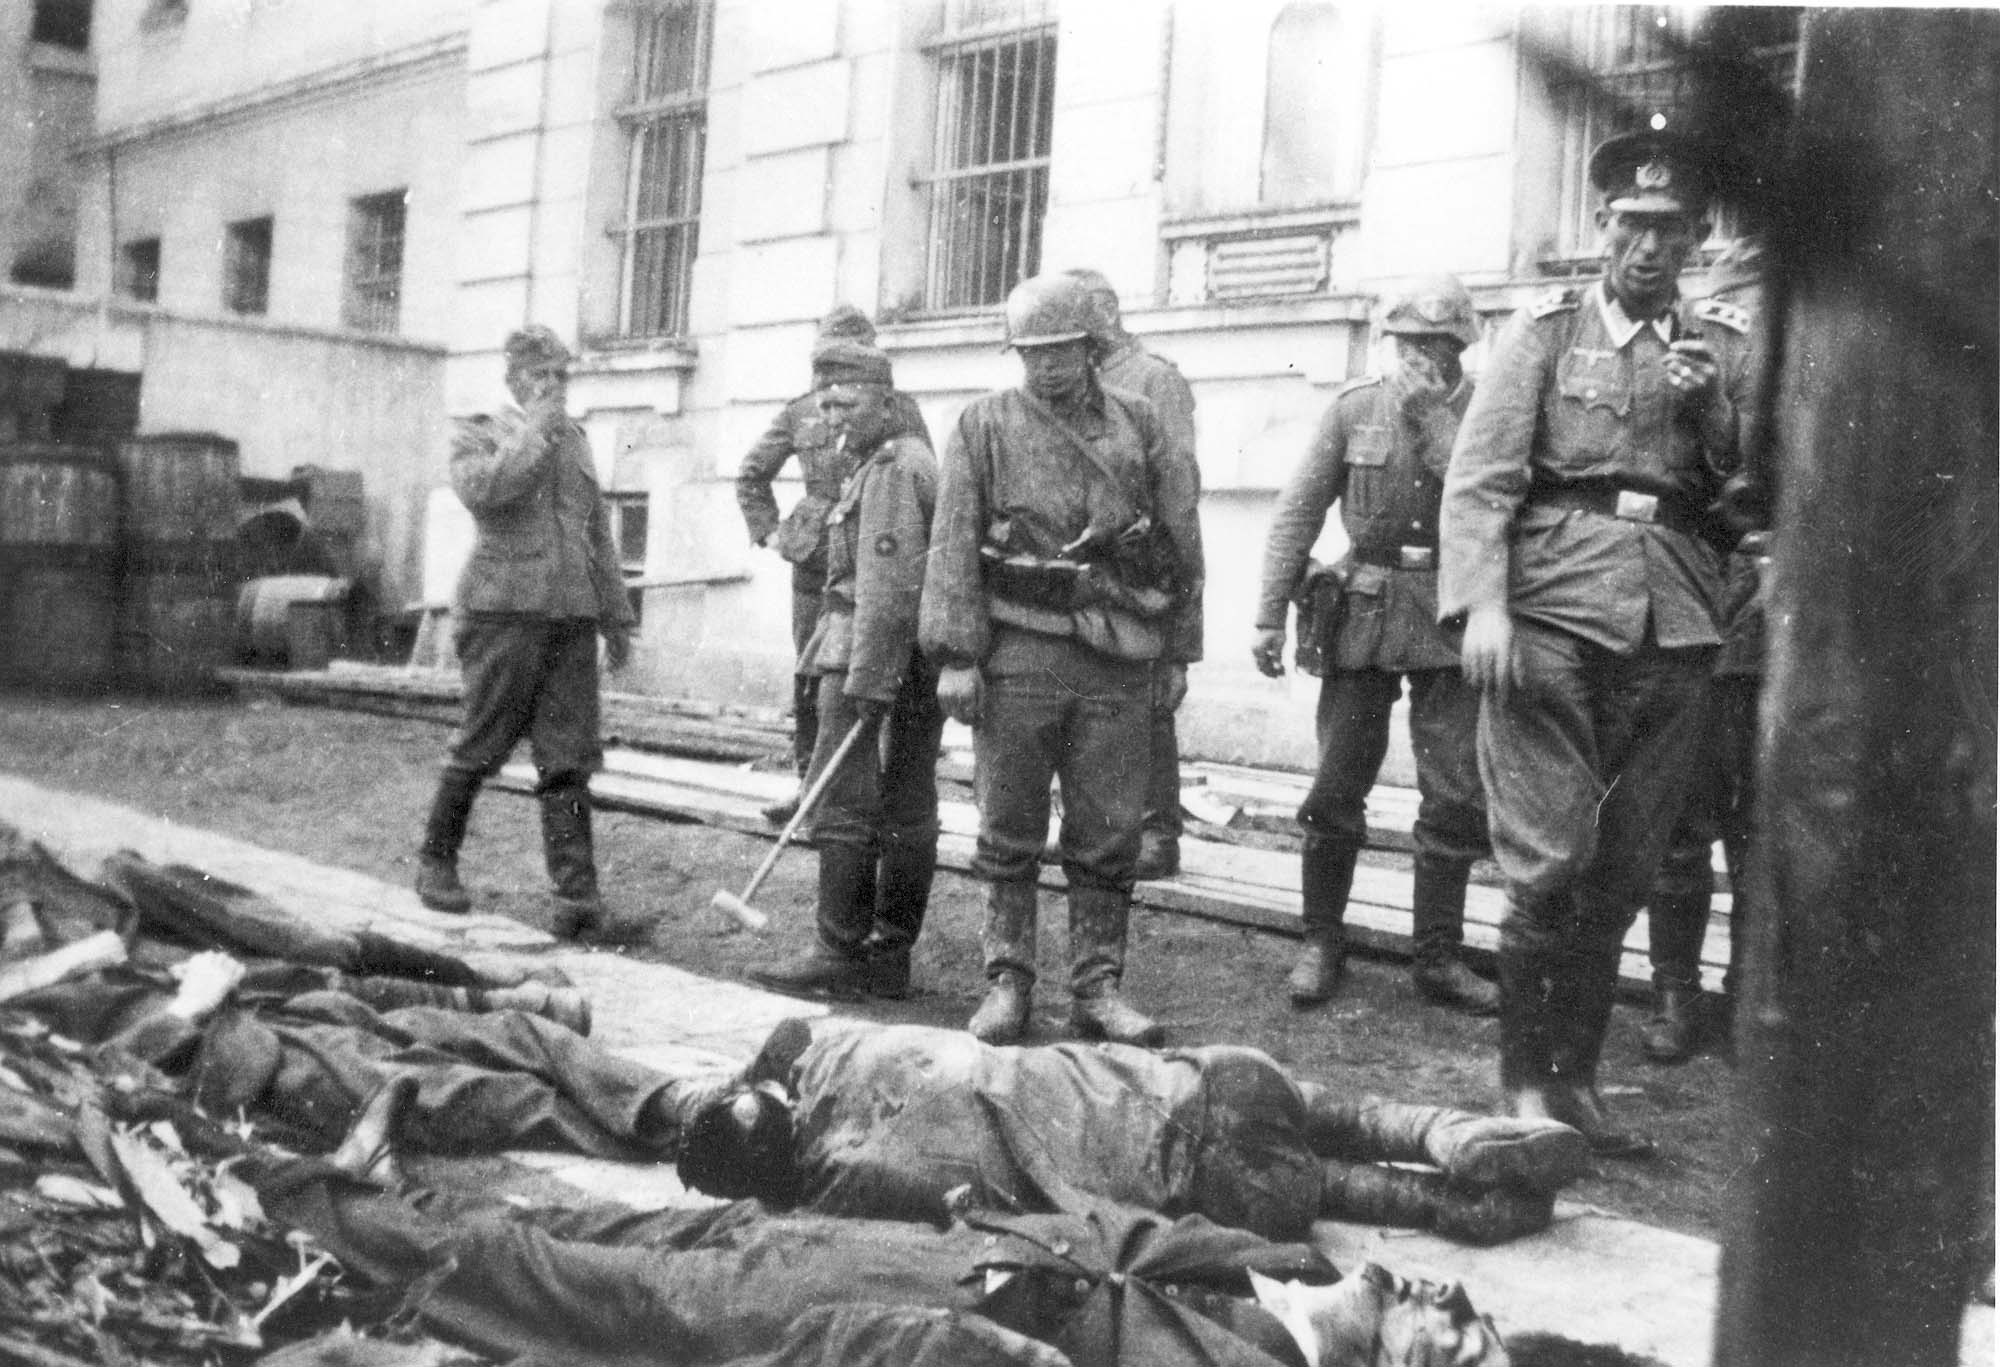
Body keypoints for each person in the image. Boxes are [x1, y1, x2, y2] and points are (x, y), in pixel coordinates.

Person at [1439, 131, 1754, 1157]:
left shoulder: (1723, 349)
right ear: (1602, 227)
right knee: (1547, 858)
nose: (1649, 248)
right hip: (1548, 615)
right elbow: (1481, 478)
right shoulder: (1540, 335)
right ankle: (1522, 1084)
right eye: (1632, 226)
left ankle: (1573, 1079)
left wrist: (1714, 411)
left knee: (1621, 867)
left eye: (1671, 230)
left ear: (1696, 239)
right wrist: (1479, 604)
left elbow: (1753, 497)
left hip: (1675, 619)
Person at [919, 272, 1205, 1048]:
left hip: (1119, 651)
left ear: (1090, 348)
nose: (1046, 367)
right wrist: (955, 655)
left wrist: (1180, 648)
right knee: (1007, 824)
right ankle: (1007, 982)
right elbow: (952, 544)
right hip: (1021, 646)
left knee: (1109, 831)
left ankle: (1098, 988)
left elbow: (1181, 535)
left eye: (1062, 351)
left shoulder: (1141, 421)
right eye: (1032, 352)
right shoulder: (983, 425)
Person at [674, 1015, 1589, 1248]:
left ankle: (1445, 1203)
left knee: (1339, 1191)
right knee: (1343, 1115)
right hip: (1214, 1082)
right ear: (777, 1093)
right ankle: (1448, 1132)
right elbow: (790, 1040)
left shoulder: (847, 1190)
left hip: (1229, 1194)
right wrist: (742, 1083)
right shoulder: (847, 1048)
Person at [1252, 276, 1499, 1016]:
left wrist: (1436, 422)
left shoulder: (1488, 412)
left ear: (1462, 348)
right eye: (1409, 343)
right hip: (1362, 609)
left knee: (1454, 789)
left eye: (1437, 344)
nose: (1421, 357)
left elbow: (1491, 502)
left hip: (1454, 613)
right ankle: (1321, 936)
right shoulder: (1355, 407)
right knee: (1336, 783)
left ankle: (1438, 955)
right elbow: (1298, 511)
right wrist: (1267, 613)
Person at [413, 325, 635, 938]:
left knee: (568, 761)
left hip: (569, 619)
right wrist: (537, 427)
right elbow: (491, 492)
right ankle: (435, 860)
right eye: (543, 376)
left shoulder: (577, 441)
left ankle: (578, 902)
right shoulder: (479, 432)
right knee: (480, 743)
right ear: (515, 379)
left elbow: (597, 538)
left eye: (562, 376)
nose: (555, 387)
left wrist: (615, 617)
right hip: (503, 612)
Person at [747, 339, 945, 1000]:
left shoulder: (889, 467)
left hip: (869, 652)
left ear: (884, 400)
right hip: (909, 658)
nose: (832, 416)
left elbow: (887, 590)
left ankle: (838, 949)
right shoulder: (896, 457)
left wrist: (866, 681)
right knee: (909, 803)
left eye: (847, 403)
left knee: (846, 804)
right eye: (826, 403)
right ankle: (889, 954)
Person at [1639, 236, 1771, 1063]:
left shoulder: (1805, 363)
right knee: (1680, 828)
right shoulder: (1671, 348)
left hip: (1772, 627)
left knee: (1761, 834)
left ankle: (1746, 1001)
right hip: (1688, 611)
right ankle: (1676, 998)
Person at [736, 306, 931, 825]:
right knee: (814, 679)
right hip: (816, 564)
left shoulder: (901, 408)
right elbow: (751, 475)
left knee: (880, 672)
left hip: (878, 558)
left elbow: (919, 479)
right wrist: (773, 532)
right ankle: (809, 786)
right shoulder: (799, 411)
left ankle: (874, 789)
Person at [1065, 267, 1201, 882]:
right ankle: (1092, 828)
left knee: (1147, 697)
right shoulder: (1072, 380)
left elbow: (1176, 494)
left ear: (1104, 314)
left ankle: (1155, 833)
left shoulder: (1153, 380)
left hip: (1139, 563)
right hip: (1080, 561)